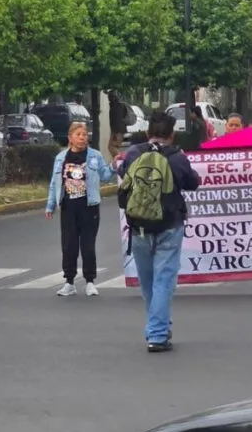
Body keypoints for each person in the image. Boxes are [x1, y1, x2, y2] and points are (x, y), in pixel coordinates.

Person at [117, 110, 201, 352]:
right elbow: (192, 183)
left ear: (147, 133)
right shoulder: (177, 157)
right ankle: (157, 333)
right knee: (164, 280)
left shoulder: (134, 153)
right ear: (172, 135)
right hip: (169, 226)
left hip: (138, 227)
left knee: (148, 281)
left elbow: (124, 175)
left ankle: (158, 327)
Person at [45, 123, 114, 297]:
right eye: (78, 134)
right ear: (70, 137)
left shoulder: (94, 156)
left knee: (88, 245)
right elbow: (55, 183)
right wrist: (50, 205)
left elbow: (105, 176)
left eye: (85, 134)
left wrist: (114, 166)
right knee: (69, 245)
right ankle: (69, 281)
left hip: (89, 207)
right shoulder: (61, 157)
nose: (83, 137)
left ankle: (90, 281)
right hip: (68, 207)